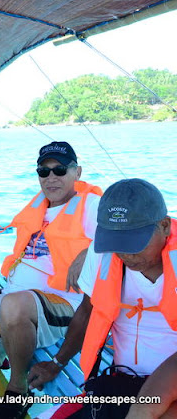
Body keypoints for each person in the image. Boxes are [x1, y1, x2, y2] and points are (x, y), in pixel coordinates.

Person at [0, 141, 102, 419]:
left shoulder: (90, 204)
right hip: (15, 297)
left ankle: (17, 387)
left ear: (77, 172)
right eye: (44, 172)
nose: (51, 177)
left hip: (61, 303)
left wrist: (89, 251)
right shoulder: (39, 205)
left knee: (13, 305)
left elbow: (122, 229)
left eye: (59, 169)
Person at [28, 179, 177, 419]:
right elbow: (87, 311)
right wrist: (57, 362)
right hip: (120, 385)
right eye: (117, 243)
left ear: (164, 226)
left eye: (134, 243)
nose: (126, 254)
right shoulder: (104, 257)